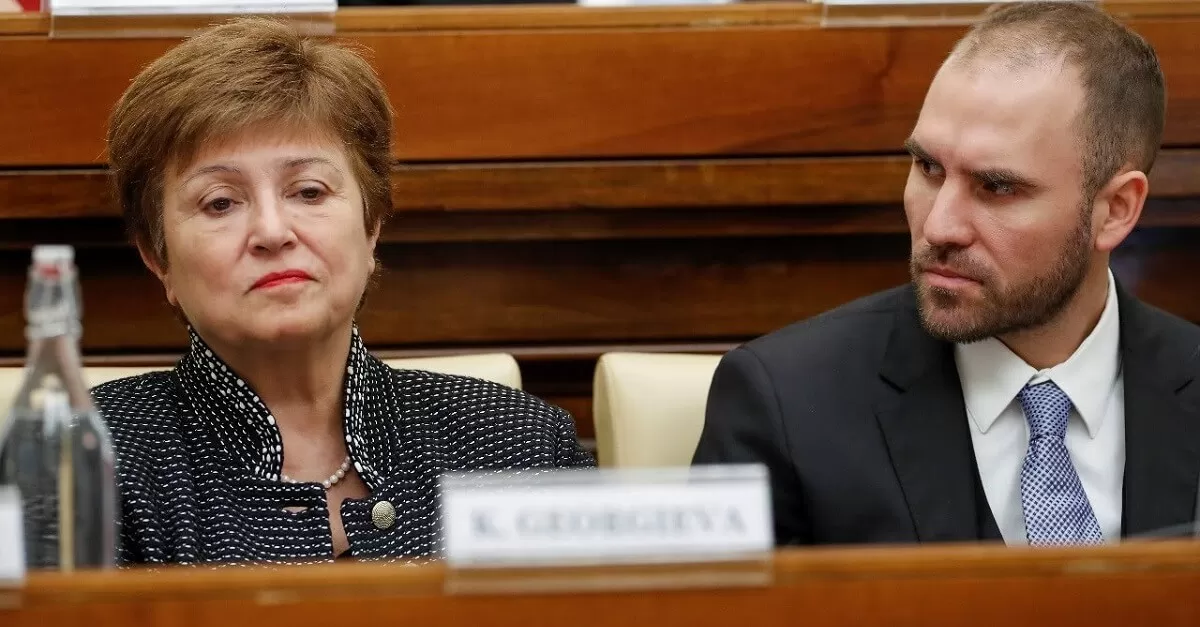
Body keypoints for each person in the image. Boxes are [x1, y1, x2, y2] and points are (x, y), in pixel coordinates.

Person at [693, 2, 1200, 547]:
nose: (939, 226)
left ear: (1117, 209)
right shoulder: (786, 402)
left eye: (997, 187)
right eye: (928, 169)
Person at [95, 17, 593, 565]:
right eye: (220, 202)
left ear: (371, 223)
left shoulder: (516, 445)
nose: (272, 231)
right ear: (156, 255)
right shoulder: (89, 458)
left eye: (308, 191)